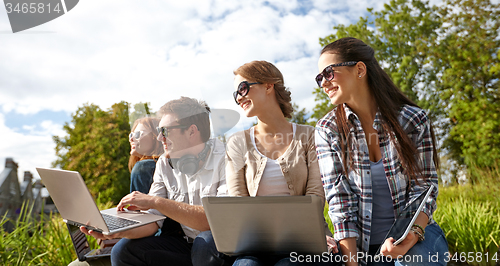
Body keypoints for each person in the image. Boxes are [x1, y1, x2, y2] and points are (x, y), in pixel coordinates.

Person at [314, 37, 448, 266]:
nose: (323, 84)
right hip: (361, 247)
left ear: (359, 69)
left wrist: (410, 236)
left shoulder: (412, 120)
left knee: (414, 261)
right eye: (319, 78)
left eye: (328, 73)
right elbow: (340, 202)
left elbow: (424, 188)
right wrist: (352, 262)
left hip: (415, 237)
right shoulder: (328, 130)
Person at [80, 96, 229, 266]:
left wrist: (155, 201)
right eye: (159, 131)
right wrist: (116, 231)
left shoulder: (227, 158)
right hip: (186, 245)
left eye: (165, 131)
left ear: (191, 131)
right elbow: (152, 223)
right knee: (123, 250)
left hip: (220, 246)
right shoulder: (165, 163)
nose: (159, 138)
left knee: (205, 240)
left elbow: (214, 221)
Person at [225, 60, 340, 266]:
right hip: (254, 244)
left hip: (304, 239)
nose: (239, 97)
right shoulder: (237, 142)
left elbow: (315, 198)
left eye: (243, 88)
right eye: (236, 94)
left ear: (269, 85)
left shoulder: (309, 136)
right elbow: (238, 204)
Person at [128, 116, 164, 194]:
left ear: (156, 137)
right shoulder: (166, 165)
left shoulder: (143, 167)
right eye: (131, 135)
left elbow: (139, 205)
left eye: (138, 134)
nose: (131, 139)